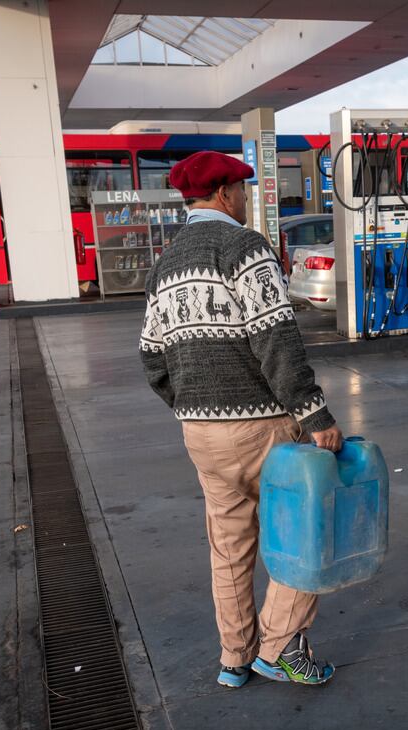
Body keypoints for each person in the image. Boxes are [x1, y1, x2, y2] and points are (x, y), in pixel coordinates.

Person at [140, 151, 344, 687]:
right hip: (262, 428)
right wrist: (314, 412)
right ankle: (278, 647)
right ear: (227, 193)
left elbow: (152, 357)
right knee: (305, 531)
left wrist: (193, 408)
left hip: (201, 434)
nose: (248, 199)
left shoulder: (166, 262)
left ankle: (236, 657)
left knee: (229, 546)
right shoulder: (244, 247)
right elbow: (276, 338)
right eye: (244, 190)